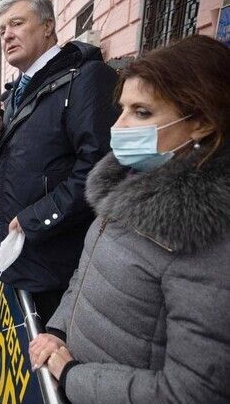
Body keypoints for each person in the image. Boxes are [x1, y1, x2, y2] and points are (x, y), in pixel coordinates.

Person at [30, 36, 230, 403]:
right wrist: (59, 329)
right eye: (122, 109)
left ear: (201, 121)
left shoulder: (210, 237)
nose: (118, 126)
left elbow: (193, 392)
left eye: (142, 112)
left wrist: (73, 376)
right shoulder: (130, 179)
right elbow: (88, 272)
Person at [0, 0, 119, 324]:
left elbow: (100, 167)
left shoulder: (84, 78)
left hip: (52, 266)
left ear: (47, 27)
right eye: (1, 30)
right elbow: (13, 170)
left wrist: (36, 219)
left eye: (16, 23)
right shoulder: (17, 93)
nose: (7, 35)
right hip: (13, 256)